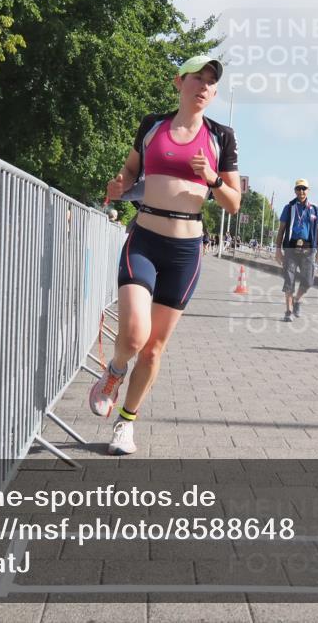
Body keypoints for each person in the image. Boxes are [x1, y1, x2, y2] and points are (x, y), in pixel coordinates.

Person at [92, 55, 241, 454]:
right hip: (145, 238)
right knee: (134, 335)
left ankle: (126, 424)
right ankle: (115, 370)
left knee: (155, 347)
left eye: (212, 82)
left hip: (185, 251)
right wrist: (119, 184)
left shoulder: (221, 137)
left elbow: (233, 203)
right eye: (198, 78)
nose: (205, 87)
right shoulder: (152, 125)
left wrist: (211, 179)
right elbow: (129, 171)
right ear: (180, 82)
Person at [274, 179, 318, 322]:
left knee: (308, 281)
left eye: (304, 189)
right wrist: (278, 250)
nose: (301, 191)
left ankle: (297, 299)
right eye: (299, 188)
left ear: (308, 190)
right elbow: (281, 229)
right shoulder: (289, 208)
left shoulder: (314, 209)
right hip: (290, 248)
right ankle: (288, 311)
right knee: (289, 280)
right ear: (295, 190)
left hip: (309, 249)